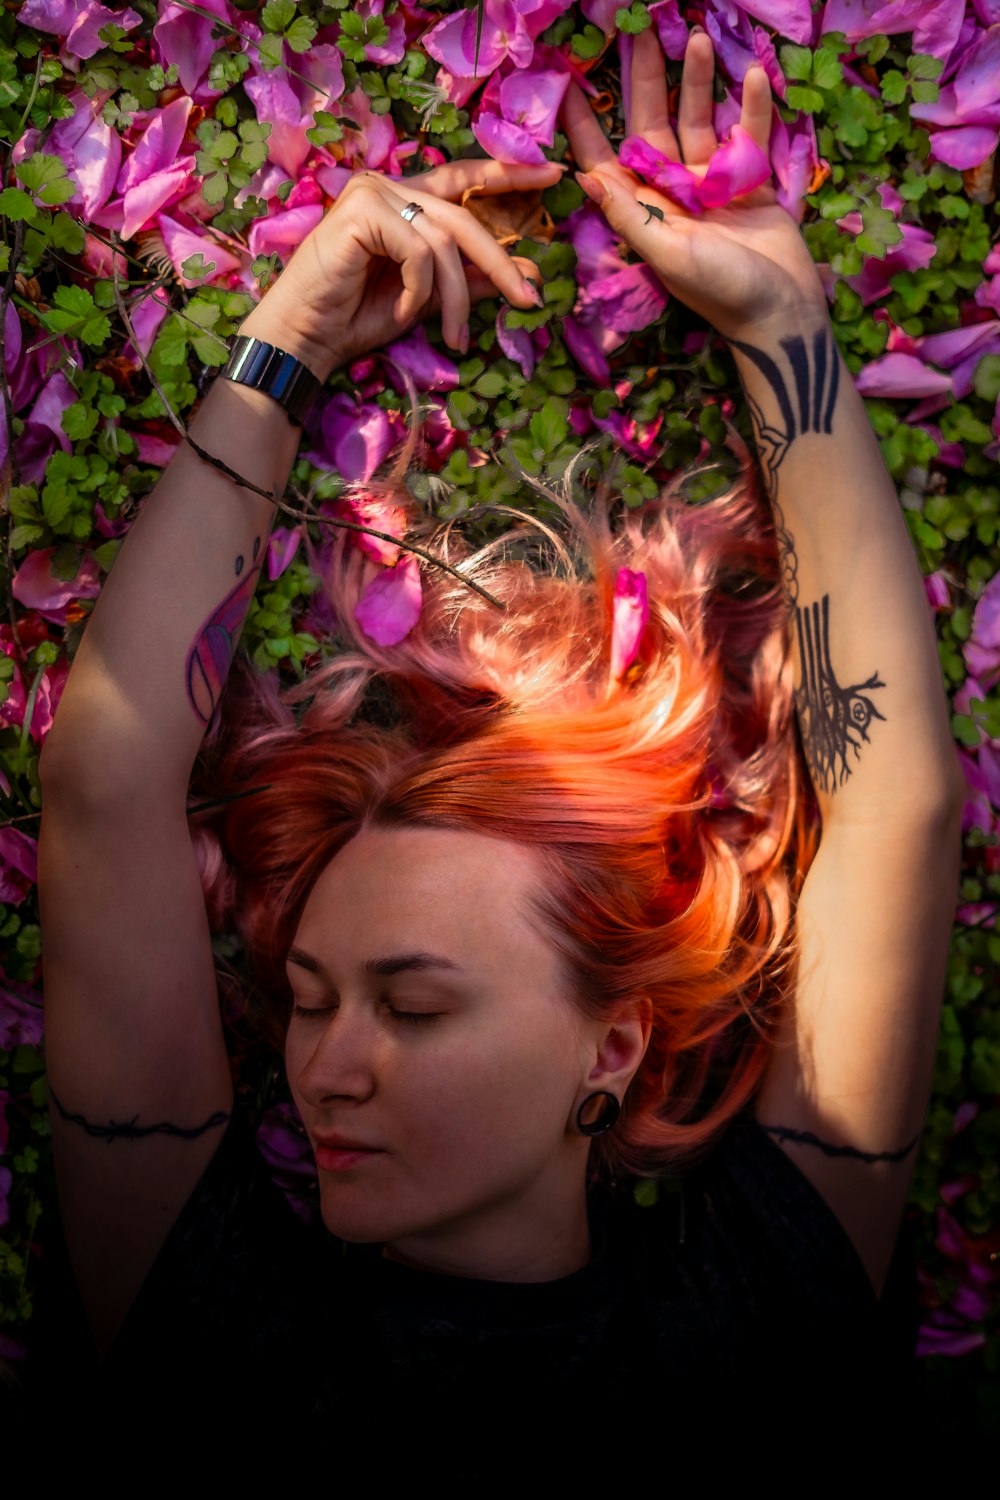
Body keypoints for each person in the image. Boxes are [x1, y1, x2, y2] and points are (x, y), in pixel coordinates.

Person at [30, 27, 962, 1470]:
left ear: (613, 1043)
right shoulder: (767, 1331)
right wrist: (285, 344)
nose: (322, 1068)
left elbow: (105, 781)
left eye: (407, 1008)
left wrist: (788, 324)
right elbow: (894, 800)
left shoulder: (218, 1343)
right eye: (315, 997)